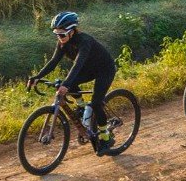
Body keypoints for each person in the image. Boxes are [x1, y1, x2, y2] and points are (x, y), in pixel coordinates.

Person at [27, 11, 118, 154]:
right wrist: (37, 76)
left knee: (96, 103)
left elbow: (78, 63)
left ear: (72, 31)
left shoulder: (84, 41)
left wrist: (66, 84)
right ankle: (81, 107)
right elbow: (53, 62)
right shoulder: (63, 43)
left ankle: (106, 138)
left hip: (104, 70)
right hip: (89, 69)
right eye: (56, 34)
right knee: (68, 82)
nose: (59, 37)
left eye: (62, 34)